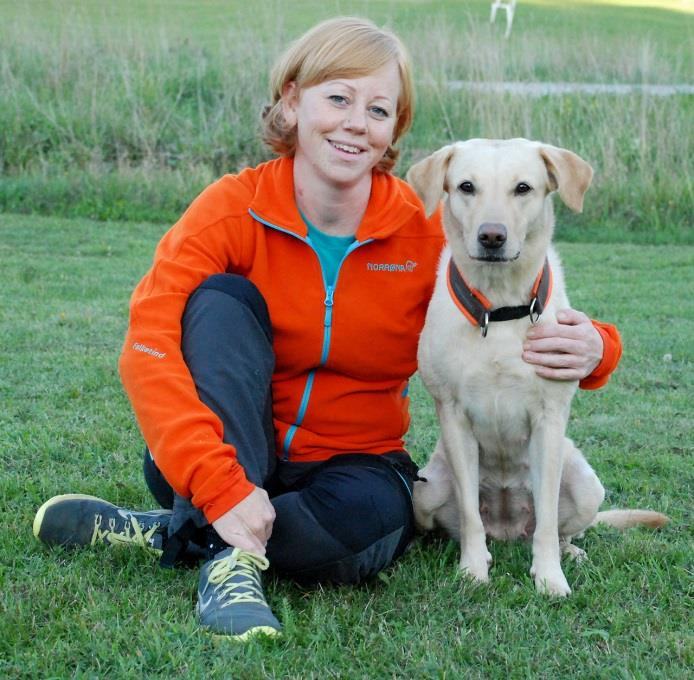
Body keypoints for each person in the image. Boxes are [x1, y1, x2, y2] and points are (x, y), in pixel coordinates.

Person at [33, 17, 622, 641]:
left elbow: (520, 299)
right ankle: (226, 542)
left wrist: (598, 347)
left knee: (365, 531)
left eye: (378, 109)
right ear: (292, 100)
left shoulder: (433, 227)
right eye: (337, 97)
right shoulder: (233, 209)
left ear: (394, 128)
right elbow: (148, 341)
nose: (354, 123)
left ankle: (179, 528)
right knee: (218, 301)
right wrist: (220, 483)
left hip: (355, 466)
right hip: (234, 451)